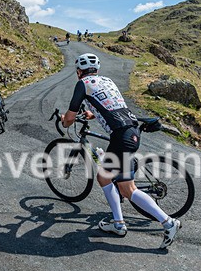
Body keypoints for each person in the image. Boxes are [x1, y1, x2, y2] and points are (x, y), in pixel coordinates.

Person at [60, 53, 181, 249]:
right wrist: (91, 114)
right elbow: (111, 106)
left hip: (122, 135)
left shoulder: (82, 83)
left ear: (79, 71)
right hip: (130, 131)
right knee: (105, 177)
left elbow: (70, 117)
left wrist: (64, 120)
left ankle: (168, 222)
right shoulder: (107, 81)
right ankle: (118, 223)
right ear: (96, 69)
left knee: (126, 188)